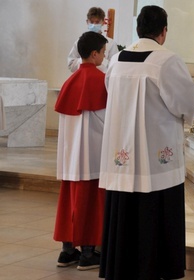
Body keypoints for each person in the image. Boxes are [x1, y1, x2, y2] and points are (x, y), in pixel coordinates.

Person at [98, 5, 194, 280]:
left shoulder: (117, 60)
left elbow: (110, 91)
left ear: (138, 29)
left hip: (121, 153)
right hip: (156, 157)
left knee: (124, 207)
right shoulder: (166, 61)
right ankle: (156, 266)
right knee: (156, 207)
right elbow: (186, 102)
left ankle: (122, 266)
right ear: (163, 32)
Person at [53, 31, 108, 271]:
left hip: (69, 156)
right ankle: (87, 252)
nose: (104, 57)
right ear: (95, 54)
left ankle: (67, 251)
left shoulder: (69, 81)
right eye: (104, 53)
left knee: (70, 201)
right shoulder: (101, 80)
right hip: (92, 154)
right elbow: (108, 121)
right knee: (90, 202)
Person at [67, 7, 119, 73]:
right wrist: (86, 59)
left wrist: (102, 61)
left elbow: (115, 65)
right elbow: (71, 64)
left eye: (97, 22)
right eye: (91, 22)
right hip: (83, 76)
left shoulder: (111, 43)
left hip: (102, 79)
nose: (94, 25)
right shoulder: (80, 42)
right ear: (87, 22)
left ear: (103, 22)